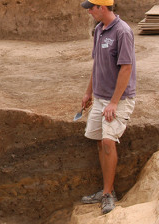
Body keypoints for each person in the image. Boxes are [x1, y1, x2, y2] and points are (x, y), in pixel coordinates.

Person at [79, 0, 136, 215]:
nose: (89, 12)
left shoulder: (123, 32)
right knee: (99, 142)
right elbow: (98, 64)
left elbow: (126, 68)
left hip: (119, 99)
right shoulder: (98, 30)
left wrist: (114, 102)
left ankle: (107, 194)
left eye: (91, 8)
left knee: (108, 141)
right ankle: (106, 189)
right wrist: (88, 92)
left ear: (102, 8)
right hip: (101, 97)